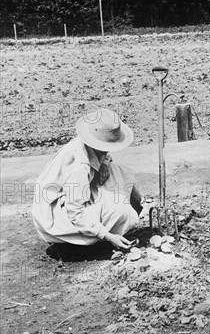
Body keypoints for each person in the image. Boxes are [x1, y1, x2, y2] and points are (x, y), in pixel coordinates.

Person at [32, 108, 143, 258]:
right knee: (119, 210)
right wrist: (108, 235)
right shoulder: (79, 169)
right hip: (54, 211)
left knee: (120, 174)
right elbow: (76, 213)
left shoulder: (89, 145)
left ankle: (116, 223)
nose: (107, 151)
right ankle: (81, 245)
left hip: (72, 192)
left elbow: (103, 156)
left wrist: (103, 163)